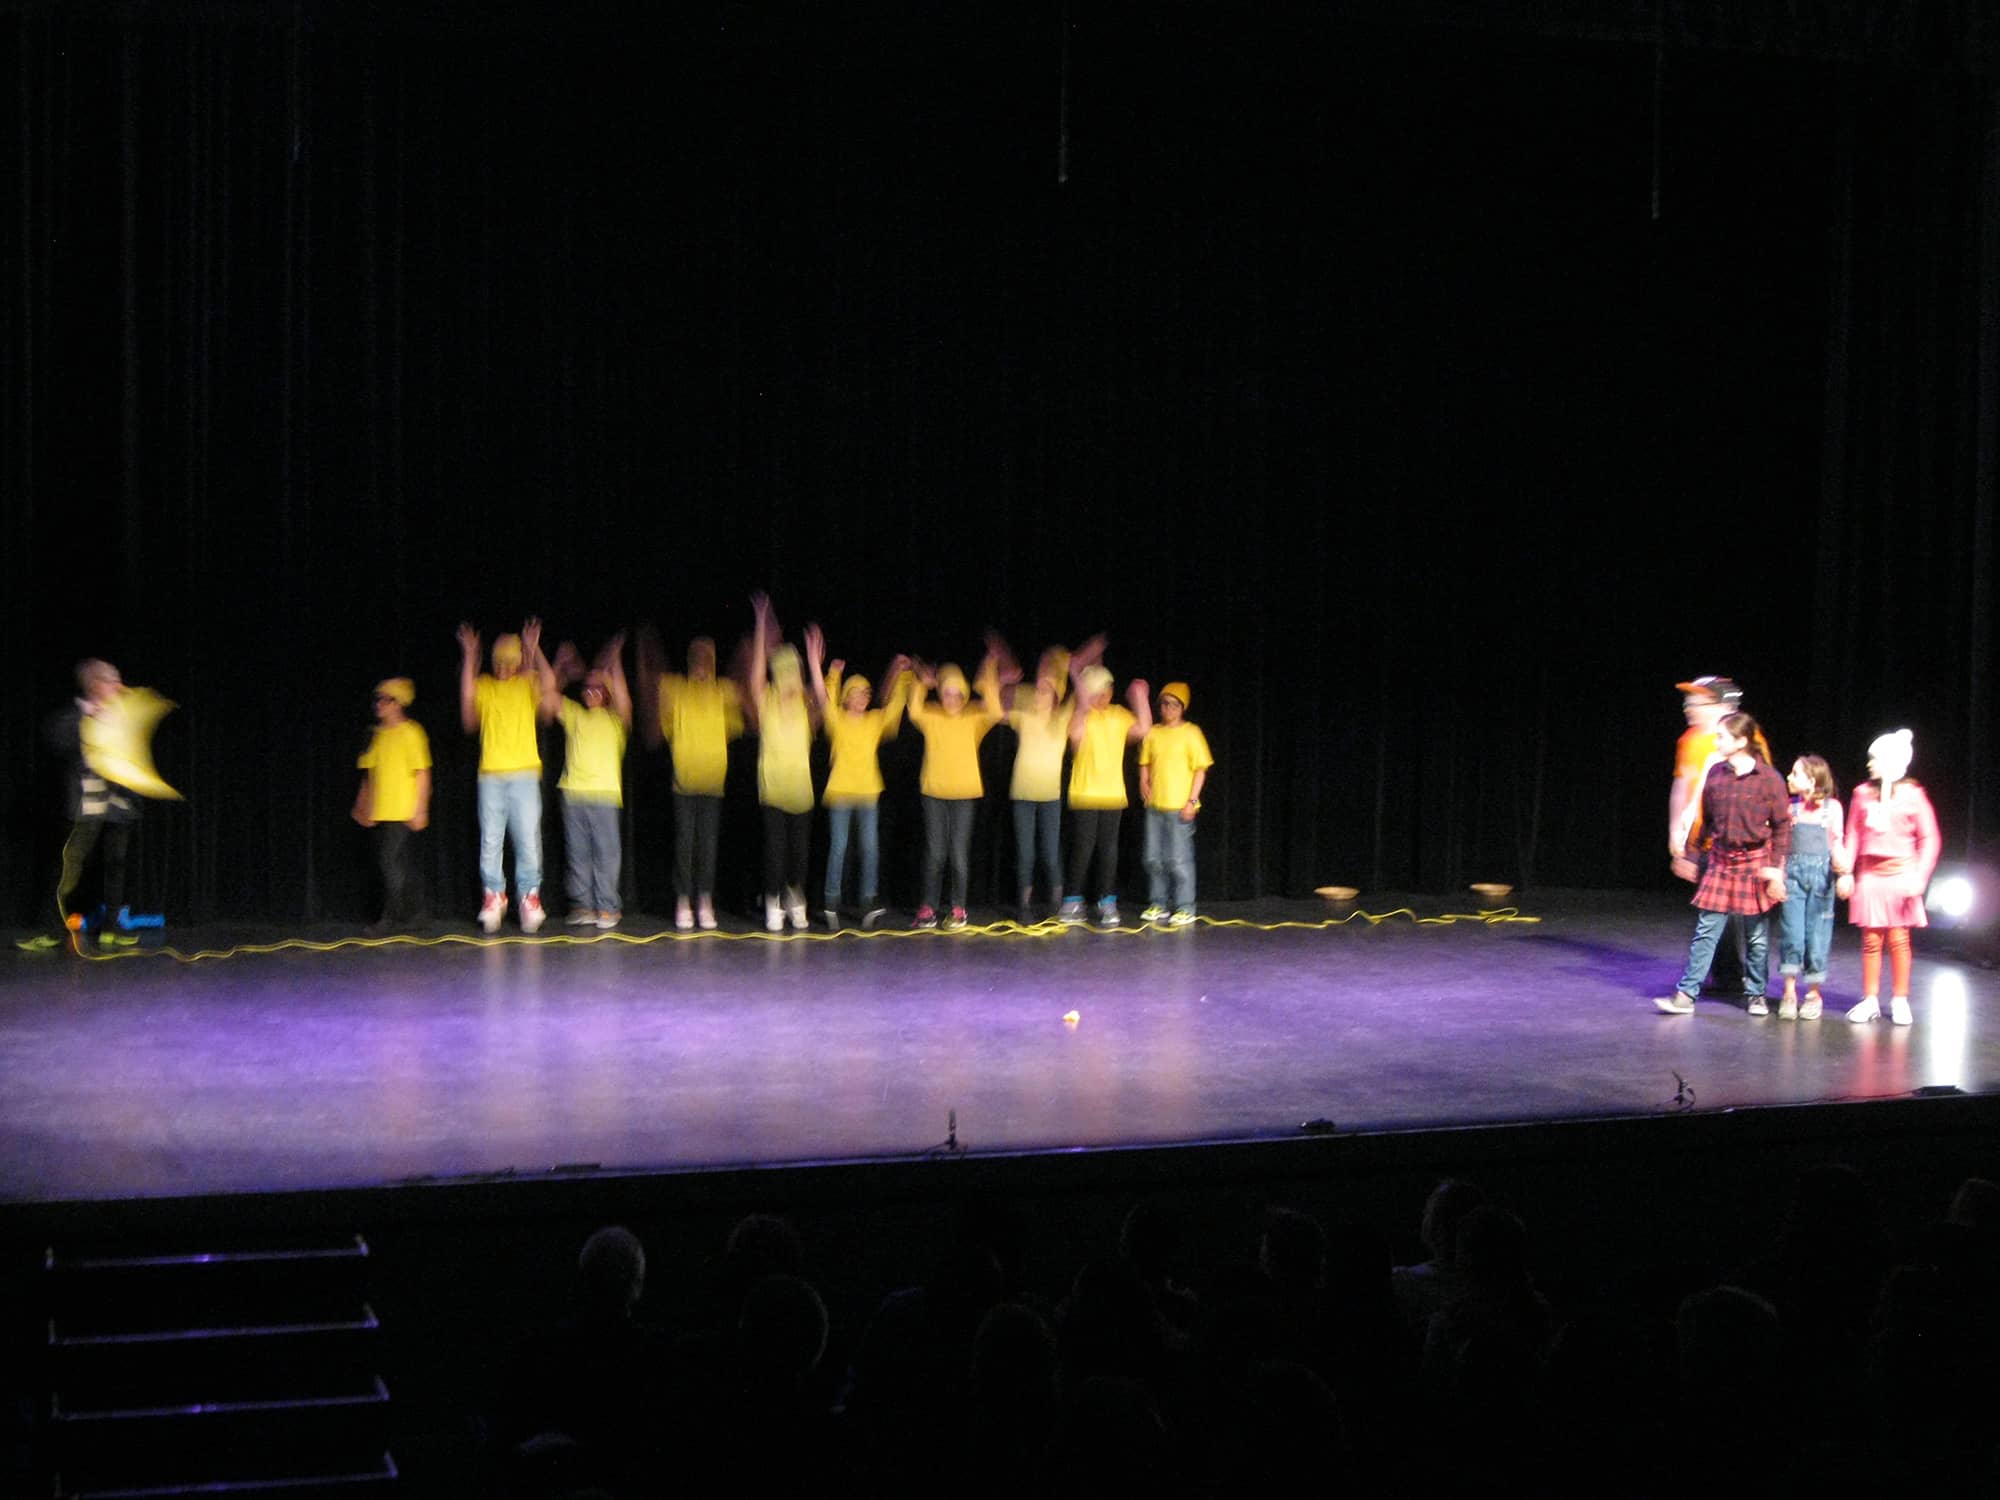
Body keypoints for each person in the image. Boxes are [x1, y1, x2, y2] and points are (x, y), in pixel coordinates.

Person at [1654, 711, 1790, 1016]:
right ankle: (1686, 995)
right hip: (1720, 860)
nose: (1716, 741)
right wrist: (1690, 854)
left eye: (1722, 736)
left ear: (1741, 741)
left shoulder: (1769, 779)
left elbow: (1782, 826)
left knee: (1755, 936)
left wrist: (1776, 867)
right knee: (1706, 931)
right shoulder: (1715, 772)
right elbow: (1706, 820)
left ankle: (1756, 994)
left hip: (1755, 862)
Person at [25, 660, 159, 951]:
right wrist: (90, 718)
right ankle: (51, 930)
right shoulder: (73, 717)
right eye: (112, 680)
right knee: (67, 868)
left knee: (115, 866)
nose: (118, 685)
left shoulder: (122, 716)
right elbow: (56, 742)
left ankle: (111, 930)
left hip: (117, 804)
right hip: (85, 804)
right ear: (96, 684)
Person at [803, 628, 912, 929]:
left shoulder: (875, 721)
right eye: (857, 692)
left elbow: (894, 709)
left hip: (867, 792)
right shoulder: (836, 719)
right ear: (847, 696)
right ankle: (830, 903)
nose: (863, 697)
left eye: (866, 693)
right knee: (838, 847)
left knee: (869, 848)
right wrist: (827, 672)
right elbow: (824, 698)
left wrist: (903, 677)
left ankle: (866, 903)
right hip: (840, 792)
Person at [1668, 676, 1771, 989]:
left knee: (1740, 913)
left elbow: (1763, 790)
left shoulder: (1748, 741)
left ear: (1723, 707)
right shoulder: (1690, 741)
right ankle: (1725, 974)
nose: (1689, 707)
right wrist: (1678, 837)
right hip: (1703, 840)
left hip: (1738, 843)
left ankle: (1745, 979)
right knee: (1711, 911)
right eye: (1689, 701)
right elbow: (1682, 787)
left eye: (1698, 702)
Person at [639, 631, 745, 931]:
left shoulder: (722, 691)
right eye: (695, 657)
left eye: (706, 658)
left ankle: (705, 901)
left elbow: (740, 711)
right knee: (685, 845)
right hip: (683, 784)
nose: (700, 663)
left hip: (713, 784)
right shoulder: (677, 690)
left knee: (708, 847)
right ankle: (683, 901)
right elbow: (661, 727)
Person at [459, 619, 556, 934]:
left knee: (528, 839)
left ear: (517, 663)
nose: (503, 668)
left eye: (509, 662)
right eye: (498, 662)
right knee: (491, 840)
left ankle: (529, 897)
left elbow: (550, 695)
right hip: (491, 776)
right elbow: (468, 719)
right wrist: (471, 658)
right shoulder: (485, 686)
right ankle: (494, 896)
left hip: (525, 775)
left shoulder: (527, 684)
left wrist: (534, 650)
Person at [1838, 729, 1940, 1026]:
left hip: (1901, 875)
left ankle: (1900, 999)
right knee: (1871, 939)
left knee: (1898, 938)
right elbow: (1853, 833)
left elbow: (1930, 838)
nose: (1869, 764)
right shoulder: (1862, 794)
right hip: (1871, 874)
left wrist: (1920, 876)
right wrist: (1845, 871)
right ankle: (1870, 999)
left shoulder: (1913, 795)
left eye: (1876, 759)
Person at [989, 634, 1089, 923]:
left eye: (1047, 690)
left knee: (1050, 851)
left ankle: (1057, 905)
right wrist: (996, 676)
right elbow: (997, 710)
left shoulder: (1061, 719)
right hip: (1022, 793)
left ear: (1056, 696)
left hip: (1050, 796)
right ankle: (1025, 905)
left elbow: (1082, 701)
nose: (1041, 693)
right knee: (1025, 853)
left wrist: (1073, 672)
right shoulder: (1025, 715)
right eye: (1039, 689)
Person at [905, 651, 1005, 930]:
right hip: (934, 793)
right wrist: (922, 683)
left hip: (964, 795)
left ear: (963, 696)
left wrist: (986, 682)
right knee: (935, 853)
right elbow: (913, 710)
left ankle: (958, 908)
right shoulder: (932, 715)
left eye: (957, 693)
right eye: (946, 693)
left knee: (958, 854)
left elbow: (996, 712)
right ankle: (928, 907)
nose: (952, 698)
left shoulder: (974, 717)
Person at [1060, 643, 1152, 928]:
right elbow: (1074, 736)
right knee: (1083, 849)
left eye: (1108, 689)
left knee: (1109, 851)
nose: (1104, 695)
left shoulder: (1118, 715)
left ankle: (1107, 902)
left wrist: (1140, 698)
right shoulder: (1080, 717)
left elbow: (1144, 729)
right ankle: (1072, 902)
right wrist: (1082, 695)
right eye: (1098, 690)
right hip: (1086, 794)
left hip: (1113, 795)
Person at [546, 635, 632, 930]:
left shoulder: (616, 721)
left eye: (599, 688)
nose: (592, 691)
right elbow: (548, 696)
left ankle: (607, 906)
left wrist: (614, 664)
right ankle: (582, 906)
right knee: (578, 855)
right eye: (588, 687)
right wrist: (556, 663)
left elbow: (622, 698)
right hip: (574, 794)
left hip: (605, 794)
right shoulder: (575, 714)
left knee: (607, 855)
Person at [747, 593, 820, 932]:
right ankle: (773, 900)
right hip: (774, 788)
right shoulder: (767, 702)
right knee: (775, 852)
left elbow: (823, 698)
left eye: (795, 670)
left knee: (800, 856)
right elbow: (754, 676)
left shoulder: (807, 706)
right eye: (784, 669)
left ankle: (795, 899)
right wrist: (761, 625)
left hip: (801, 791)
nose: (790, 675)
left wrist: (815, 662)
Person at [351, 678, 432, 934]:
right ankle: (413, 915)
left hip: (402, 809)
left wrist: (420, 807)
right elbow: (369, 774)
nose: (378, 705)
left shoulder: (412, 732)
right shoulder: (375, 735)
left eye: (384, 699)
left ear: (397, 704)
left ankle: (392, 917)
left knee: (391, 862)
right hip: (381, 811)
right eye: (377, 700)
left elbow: (422, 772)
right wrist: (363, 805)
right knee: (392, 865)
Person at [1137, 681, 1212, 927]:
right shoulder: (1154, 732)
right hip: (1155, 807)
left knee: (1179, 860)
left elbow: (1201, 770)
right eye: (1164, 704)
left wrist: (1192, 801)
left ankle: (1185, 907)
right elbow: (1145, 761)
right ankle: (1158, 903)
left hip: (1180, 807)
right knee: (1153, 858)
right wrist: (1143, 781)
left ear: (1182, 707)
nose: (1167, 709)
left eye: (1173, 704)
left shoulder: (1192, 733)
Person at [1776, 754, 1845, 1020]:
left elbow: (1837, 842)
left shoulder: (1833, 809)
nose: (1789, 778)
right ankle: (1789, 991)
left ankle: (1814, 993)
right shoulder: (1790, 809)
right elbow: (1782, 847)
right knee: (1792, 933)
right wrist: (1778, 877)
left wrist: (1844, 870)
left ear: (1812, 779)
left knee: (1816, 936)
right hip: (1793, 877)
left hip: (1821, 879)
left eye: (1795, 774)